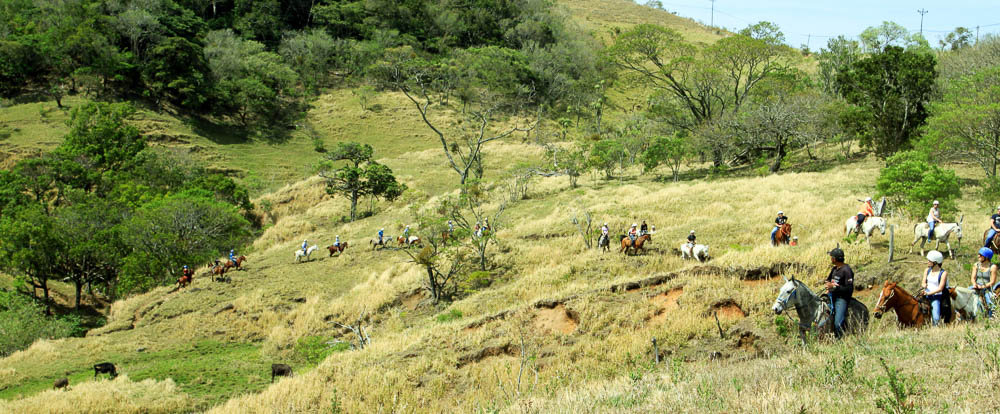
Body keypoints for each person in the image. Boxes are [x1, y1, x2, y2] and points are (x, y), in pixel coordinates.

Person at [824, 247, 854, 339]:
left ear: (834, 259)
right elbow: (828, 279)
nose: (830, 258)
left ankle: (840, 339)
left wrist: (834, 287)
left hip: (841, 299)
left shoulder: (847, 270)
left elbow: (849, 289)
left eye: (831, 257)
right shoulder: (834, 269)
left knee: (838, 324)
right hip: (831, 295)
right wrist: (827, 284)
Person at [921, 250, 949, 326]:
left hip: (936, 297)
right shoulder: (927, 270)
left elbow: (940, 288)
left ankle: (936, 326)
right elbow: (923, 282)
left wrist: (929, 293)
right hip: (925, 294)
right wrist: (924, 285)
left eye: (929, 261)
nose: (927, 262)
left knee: (936, 318)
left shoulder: (943, 273)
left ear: (935, 262)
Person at [972, 247, 996, 317]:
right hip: (976, 286)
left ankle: (992, 317)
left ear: (986, 257)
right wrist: (974, 284)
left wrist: (982, 287)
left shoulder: (992, 267)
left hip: (987, 288)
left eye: (980, 255)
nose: (978, 256)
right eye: (978, 254)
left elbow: (992, 282)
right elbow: (973, 278)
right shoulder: (976, 265)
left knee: (991, 301)